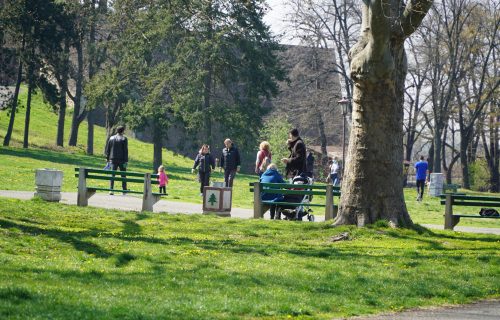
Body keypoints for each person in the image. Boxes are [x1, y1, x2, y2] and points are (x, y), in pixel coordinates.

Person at [105, 125, 128, 194]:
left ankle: (111, 189)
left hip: (113, 159)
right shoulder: (124, 139)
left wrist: (107, 158)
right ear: (123, 131)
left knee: (113, 175)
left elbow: (108, 149)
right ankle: (124, 190)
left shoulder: (111, 138)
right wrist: (126, 161)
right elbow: (125, 150)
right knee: (123, 175)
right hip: (122, 160)